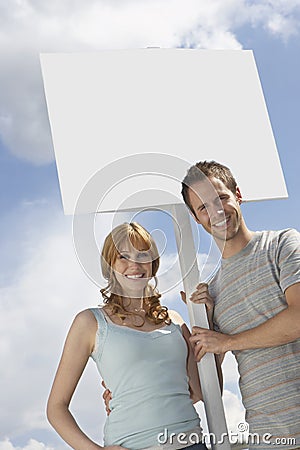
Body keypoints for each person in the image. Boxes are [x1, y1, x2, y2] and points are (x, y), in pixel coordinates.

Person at [46, 222, 210, 450]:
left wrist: (209, 322)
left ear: (153, 265)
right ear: (109, 265)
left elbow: (204, 391)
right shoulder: (90, 323)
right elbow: (56, 407)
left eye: (143, 256)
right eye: (123, 256)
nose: (135, 264)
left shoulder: (175, 321)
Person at [180, 160, 300, 448]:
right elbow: (210, 387)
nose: (216, 211)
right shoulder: (213, 290)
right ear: (197, 219)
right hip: (267, 438)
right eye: (203, 208)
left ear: (238, 195)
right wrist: (207, 323)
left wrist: (227, 340)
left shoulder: (283, 244)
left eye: (221, 198)